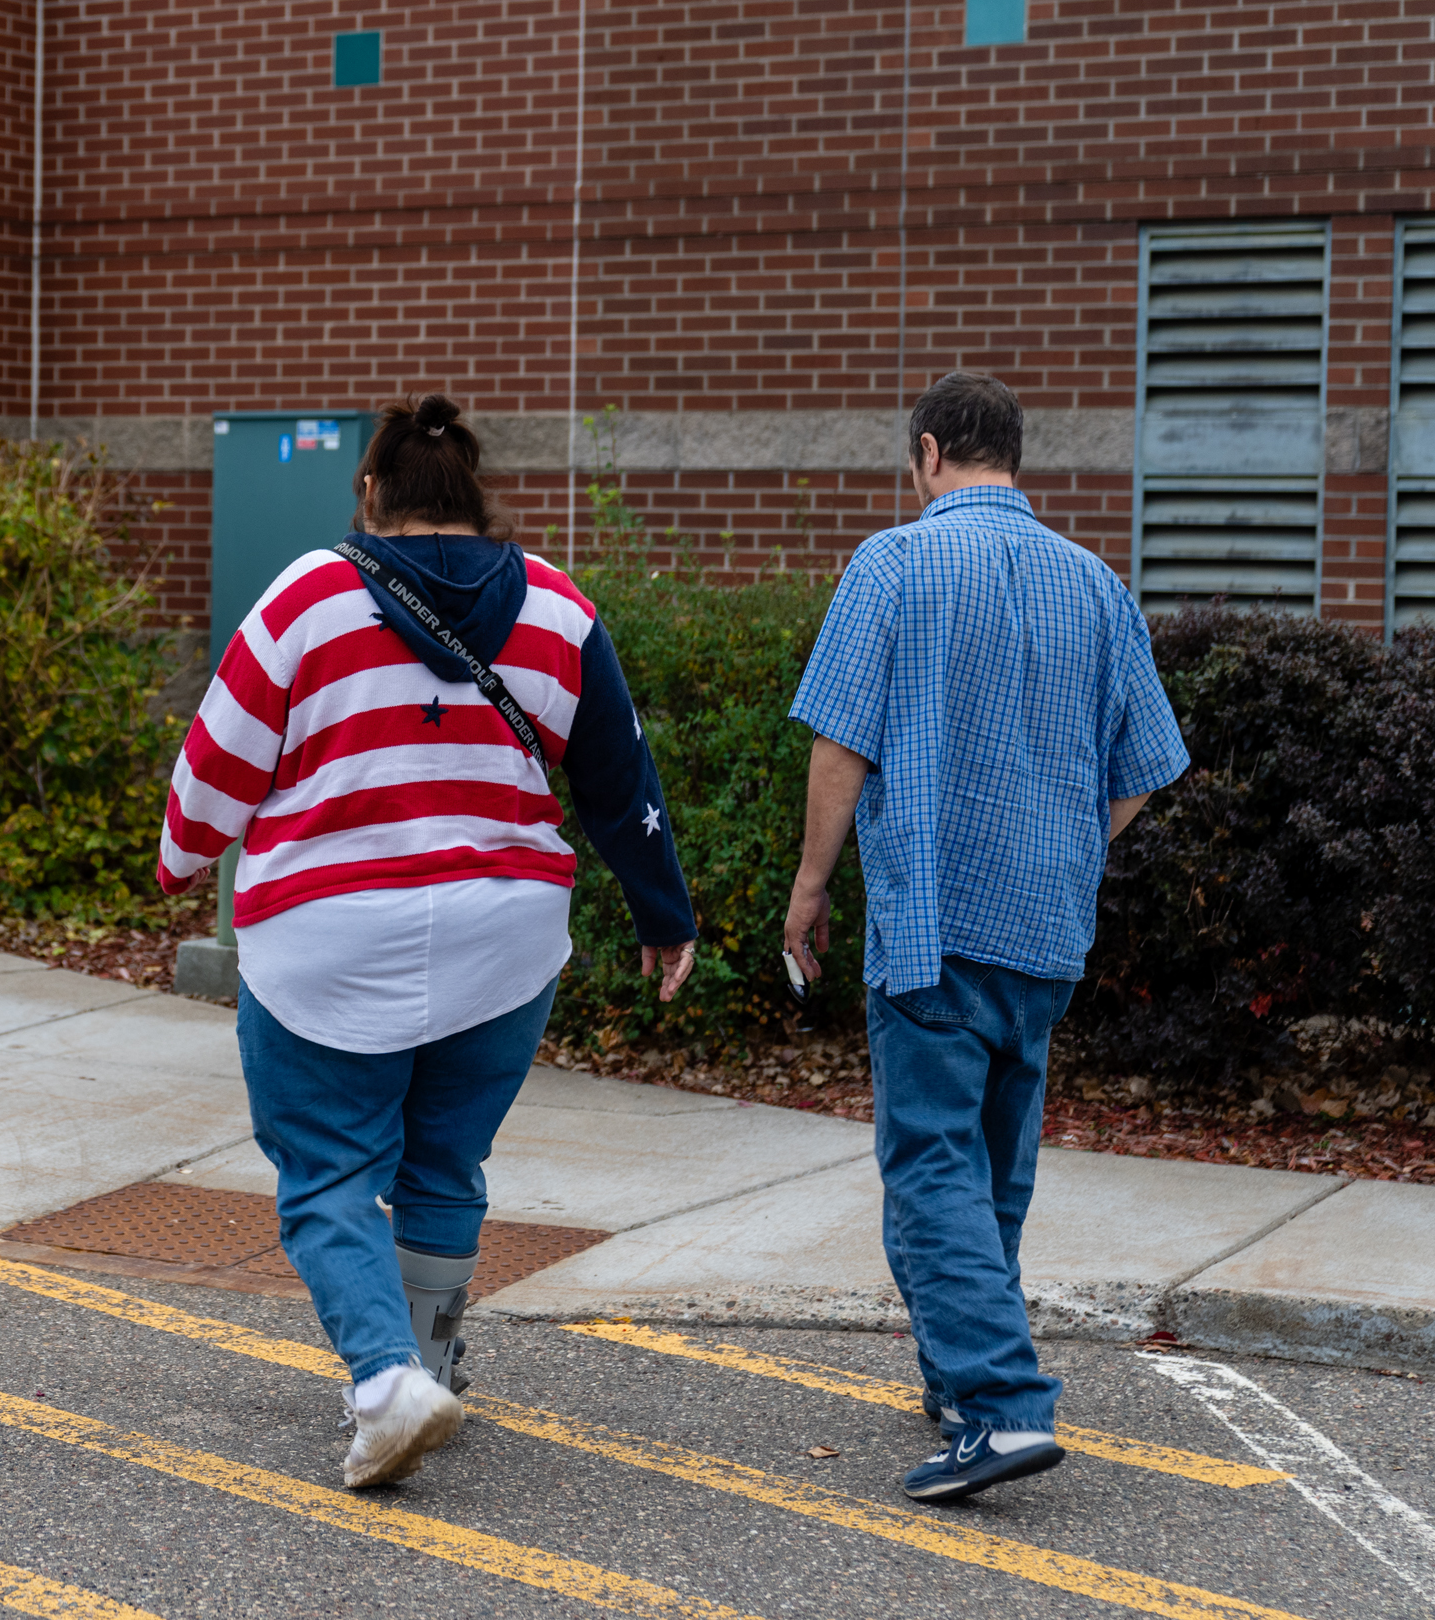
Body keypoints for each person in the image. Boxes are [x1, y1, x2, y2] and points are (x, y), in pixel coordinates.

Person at [160, 394, 698, 1490]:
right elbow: (617, 780)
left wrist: (178, 861)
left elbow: (215, 774)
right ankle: (431, 1359)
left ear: (373, 494)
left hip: (327, 936)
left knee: (327, 1171)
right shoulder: (557, 606)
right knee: (445, 1159)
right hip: (504, 943)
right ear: (474, 495)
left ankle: (386, 1383)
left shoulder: (307, 598)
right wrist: (663, 912)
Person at [783, 370, 1188, 1506]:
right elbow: (1145, 769)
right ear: (1015, 455)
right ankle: (960, 1379)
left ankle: (1001, 1407)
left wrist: (811, 886)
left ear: (928, 456)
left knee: (929, 1167)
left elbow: (840, 748)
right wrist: (1072, 843)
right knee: (992, 1165)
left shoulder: (896, 565)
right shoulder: (1095, 584)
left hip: (933, 917)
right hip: (1046, 925)